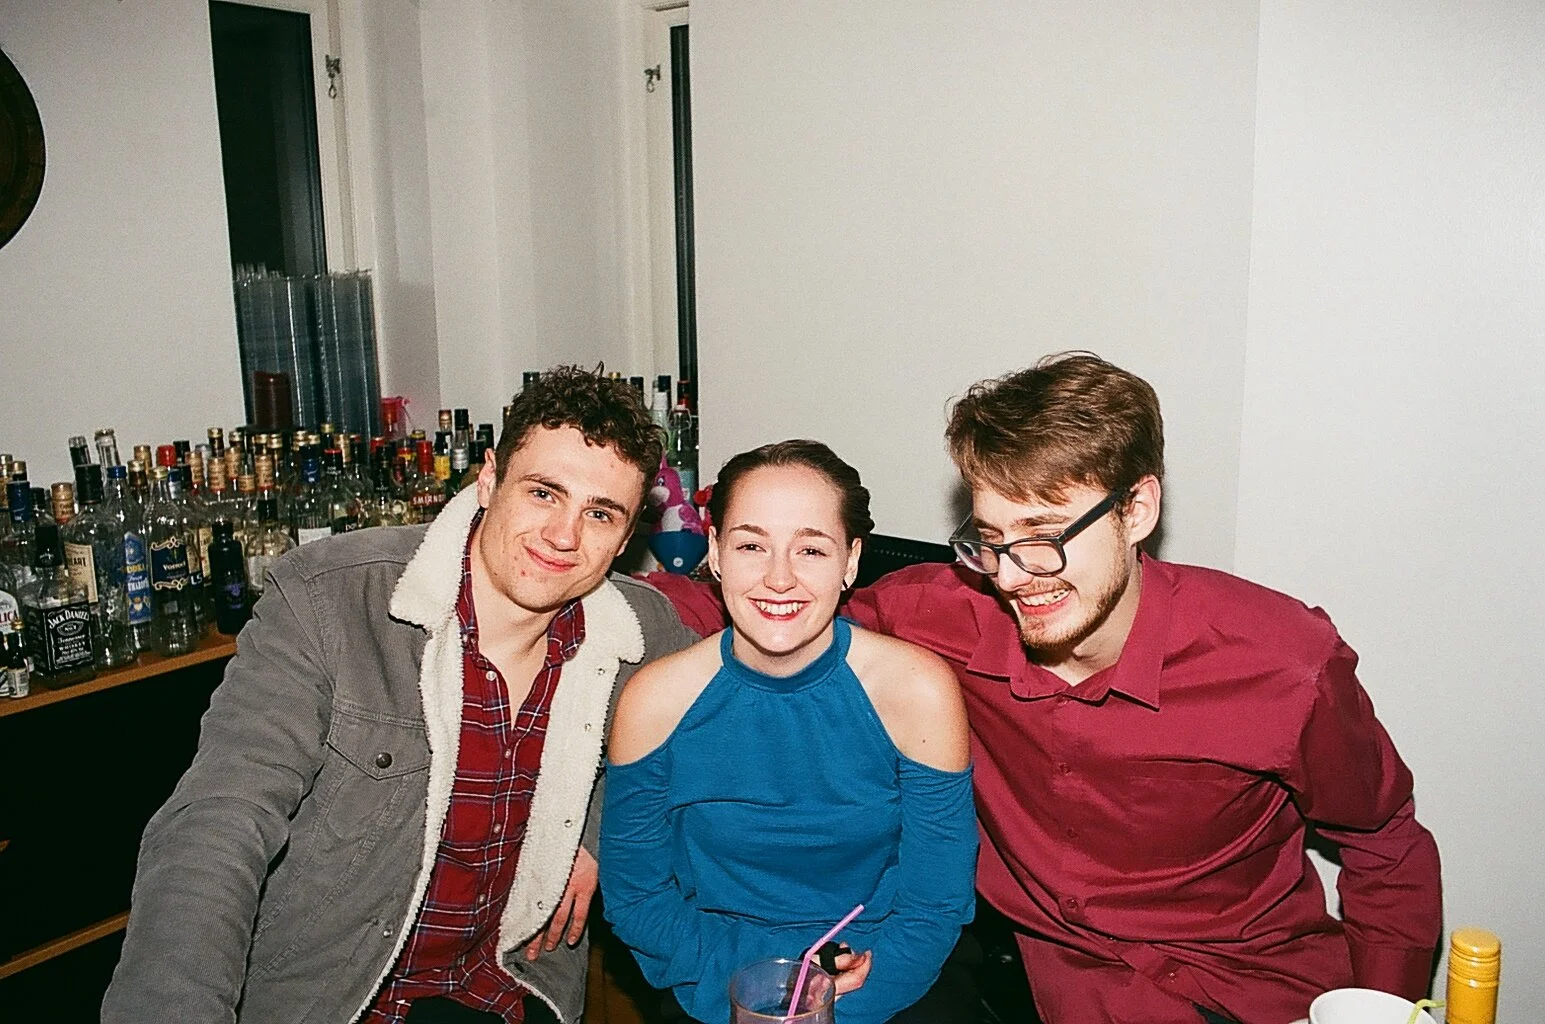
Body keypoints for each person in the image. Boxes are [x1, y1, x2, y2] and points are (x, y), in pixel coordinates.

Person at [651, 354, 1442, 1024]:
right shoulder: (944, 615)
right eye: (990, 539)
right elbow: (777, 604)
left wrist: (1380, 1007)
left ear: (1136, 509)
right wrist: (607, 606)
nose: (1012, 575)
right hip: (1046, 986)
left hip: (1253, 987)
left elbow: (1386, 844)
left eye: (1044, 536)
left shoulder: (1280, 662)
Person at [103, 367, 700, 1024]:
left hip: (507, 988)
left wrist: (596, 830)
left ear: (626, 536)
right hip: (338, 997)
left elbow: (714, 739)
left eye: (599, 513)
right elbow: (219, 822)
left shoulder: (641, 632)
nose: (564, 536)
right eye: (542, 493)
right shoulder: (330, 598)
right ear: (489, 480)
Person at [601, 440, 978, 1024]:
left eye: (811, 549)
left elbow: (935, 903)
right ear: (716, 553)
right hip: (711, 981)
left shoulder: (918, 692)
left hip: (876, 979)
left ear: (851, 561)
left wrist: (833, 1000)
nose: (779, 578)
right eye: (752, 545)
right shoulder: (654, 701)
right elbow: (637, 898)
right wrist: (759, 991)